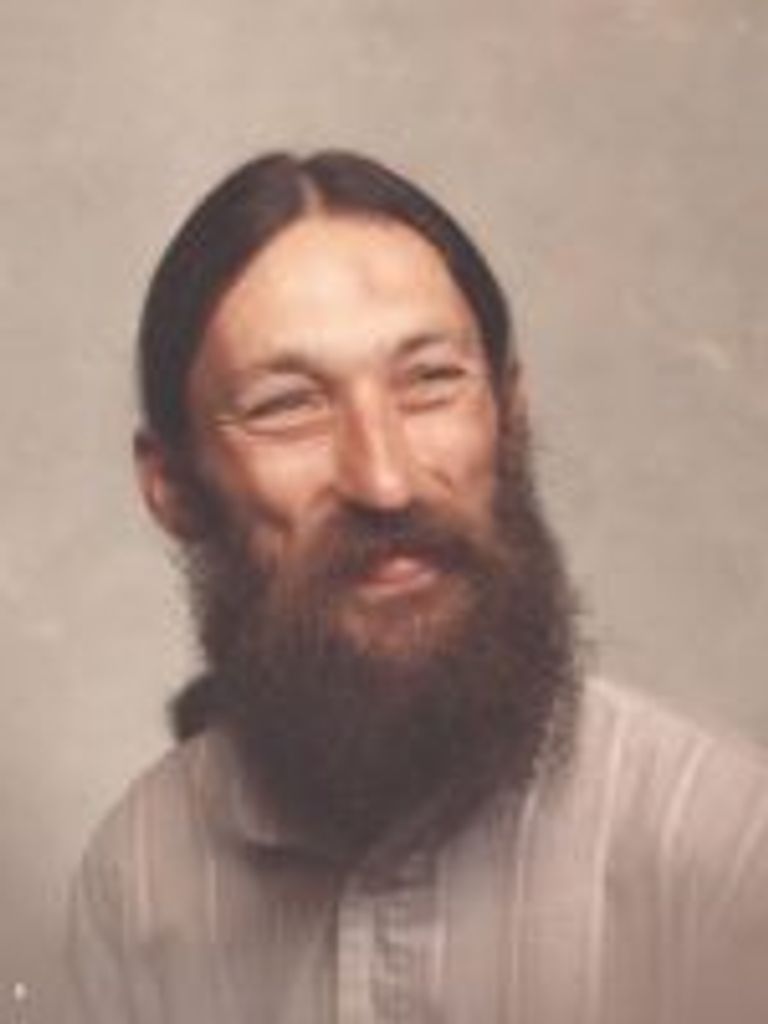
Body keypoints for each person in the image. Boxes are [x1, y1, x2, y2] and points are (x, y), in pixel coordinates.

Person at [69, 151, 768, 1024]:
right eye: (287, 404)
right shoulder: (138, 881)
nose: (385, 479)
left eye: (432, 380)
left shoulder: (728, 855)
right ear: (173, 486)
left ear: (510, 417)